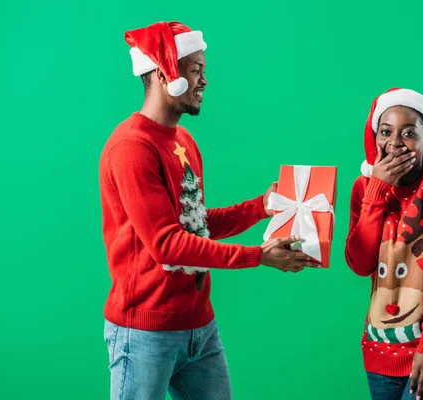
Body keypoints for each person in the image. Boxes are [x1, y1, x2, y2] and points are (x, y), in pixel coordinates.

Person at [99, 21, 318, 400]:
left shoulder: (183, 140)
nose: (204, 81)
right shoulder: (132, 148)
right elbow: (168, 244)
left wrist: (260, 207)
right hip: (146, 331)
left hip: (199, 327)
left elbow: (193, 227)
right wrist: (257, 257)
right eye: (196, 70)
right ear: (162, 71)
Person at [345, 88, 423, 400]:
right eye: (385, 132)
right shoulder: (363, 188)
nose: (395, 142)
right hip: (380, 350)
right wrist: (376, 190)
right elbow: (360, 264)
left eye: (409, 132)